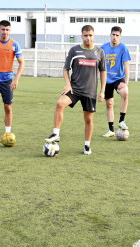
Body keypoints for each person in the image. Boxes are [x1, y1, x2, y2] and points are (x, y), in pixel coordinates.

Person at [45, 25, 106, 155]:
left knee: (88, 119)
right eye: (85, 35)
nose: (88, 38)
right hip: (75, 89)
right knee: (60, 103)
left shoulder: (100, 52)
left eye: (90, 35)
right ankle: (56, 134)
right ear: (81, 36)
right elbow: (66, 69)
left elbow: (103, 72)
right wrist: (68, 84)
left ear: (94, 36)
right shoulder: (74, 50)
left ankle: (87, 145)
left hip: (90, 91)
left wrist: (102, 91)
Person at [101, 26, 132, 137]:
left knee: (125, 92)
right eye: (113, 35)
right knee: (109, 104)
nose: (115, 37)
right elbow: (98, 63)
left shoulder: (123, 47)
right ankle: (111, 130)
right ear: (110, 35)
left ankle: (122, 121)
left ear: (120, 36)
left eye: (117, 35)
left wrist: (126, 82)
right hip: (106, 79)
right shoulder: (103, 47)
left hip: (118, 78)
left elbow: (126, 66)